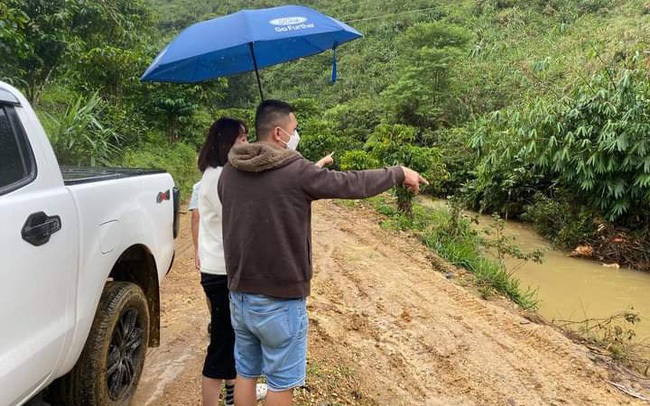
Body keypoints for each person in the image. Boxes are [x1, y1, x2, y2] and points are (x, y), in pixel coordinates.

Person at [218, 100, 428, 406]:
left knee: (246, 373)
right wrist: (397, 172)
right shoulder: (295, 171)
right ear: (279, 133)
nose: (296, 134)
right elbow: (349, 184)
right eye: (294, 129)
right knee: (279, 384)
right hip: (280, 299)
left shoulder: (229, 172)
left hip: (239, 294)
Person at [196, 118, 267, 406]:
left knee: (232, 339)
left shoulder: (221, 173)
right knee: (221, 345)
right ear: (228, 143)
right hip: (221, 273)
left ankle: (231, 395)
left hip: (223, 269)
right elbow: (239, 216)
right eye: (242, 139)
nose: (246, 144)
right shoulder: (217, 178)